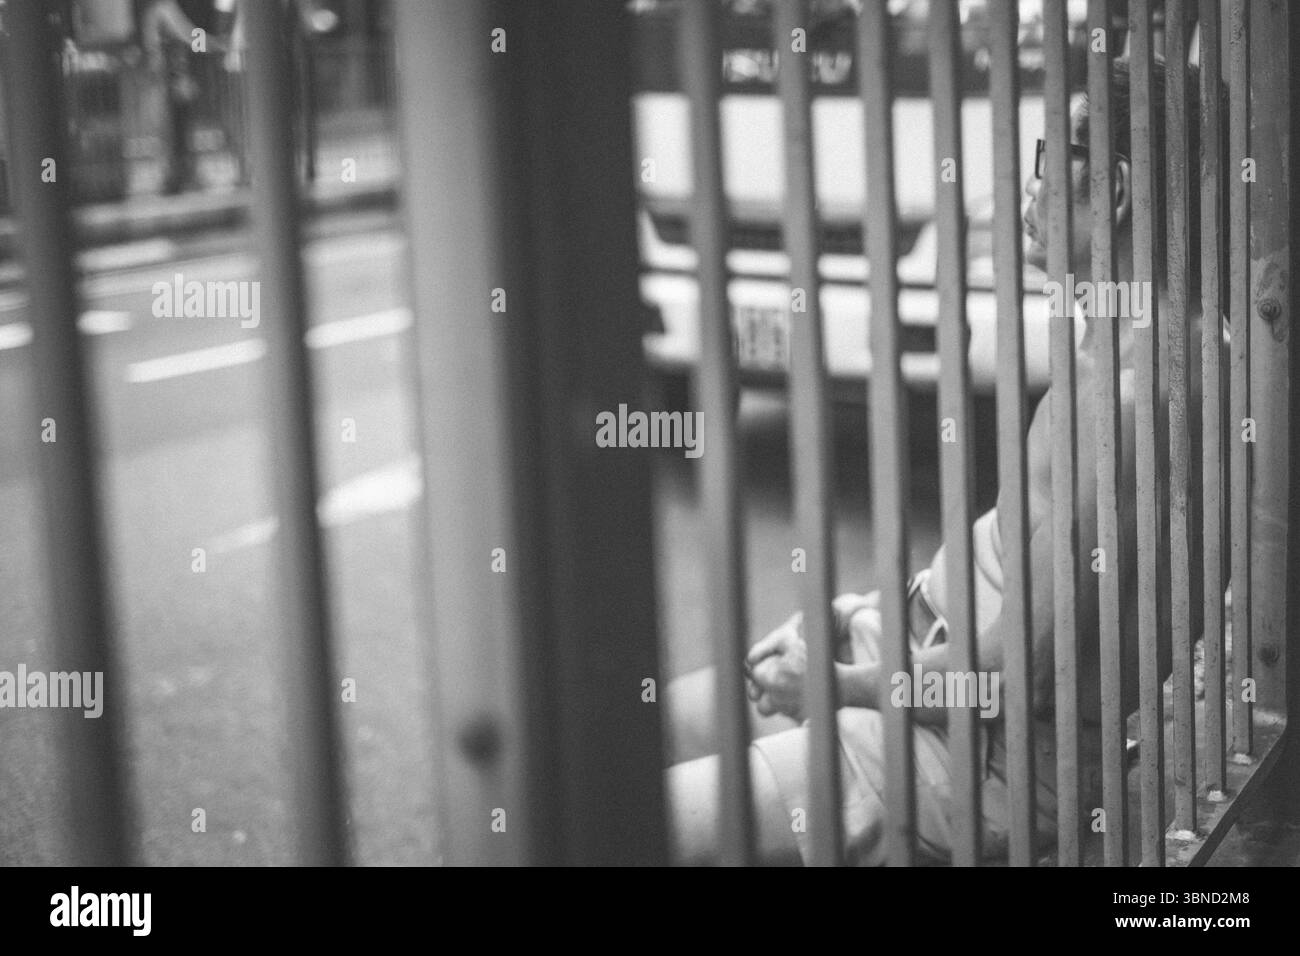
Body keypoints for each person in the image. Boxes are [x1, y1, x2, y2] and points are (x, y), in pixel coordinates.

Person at [665, 58, 1224, 865]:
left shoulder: (1136, 410)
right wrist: (872, 615)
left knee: (633, 828)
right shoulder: (1129, 334)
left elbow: (1012, 684)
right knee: (661, 724)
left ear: (1118, 189)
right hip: (923, 647)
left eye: (1046, 160)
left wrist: (835, 684)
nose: (1028, 193)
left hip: (980, 755)